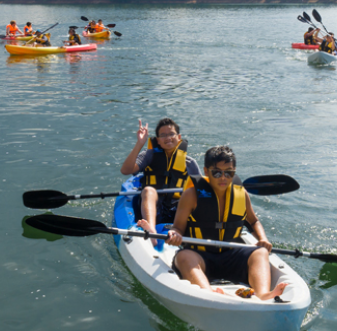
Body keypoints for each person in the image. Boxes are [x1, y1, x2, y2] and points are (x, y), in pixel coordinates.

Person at [145, 145, 287, 301]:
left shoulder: (241, 194)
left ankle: (263, 294)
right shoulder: (191, 195)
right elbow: (178, 227)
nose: (223, 177)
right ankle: (208, 294)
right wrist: (175, 234)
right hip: (201, 256)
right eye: (217, 172)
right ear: (206, 172)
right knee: (184, 256)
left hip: (232, 254)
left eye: (229, 172)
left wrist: (263, 238)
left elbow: (253, 222)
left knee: (260, 252)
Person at [120, 119, 201, 237]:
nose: (168, 138)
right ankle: (151, 230)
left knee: (195, 195)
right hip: (153, 207)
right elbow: (126, 170)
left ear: (179, 137)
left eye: (171, 134)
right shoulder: (149, 155)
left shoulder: (189, 163)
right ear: (158, 140)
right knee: (148, 190)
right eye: (163, 135)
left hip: (177, 210)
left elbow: (201, 190)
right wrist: (140, 144)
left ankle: (198, 231)